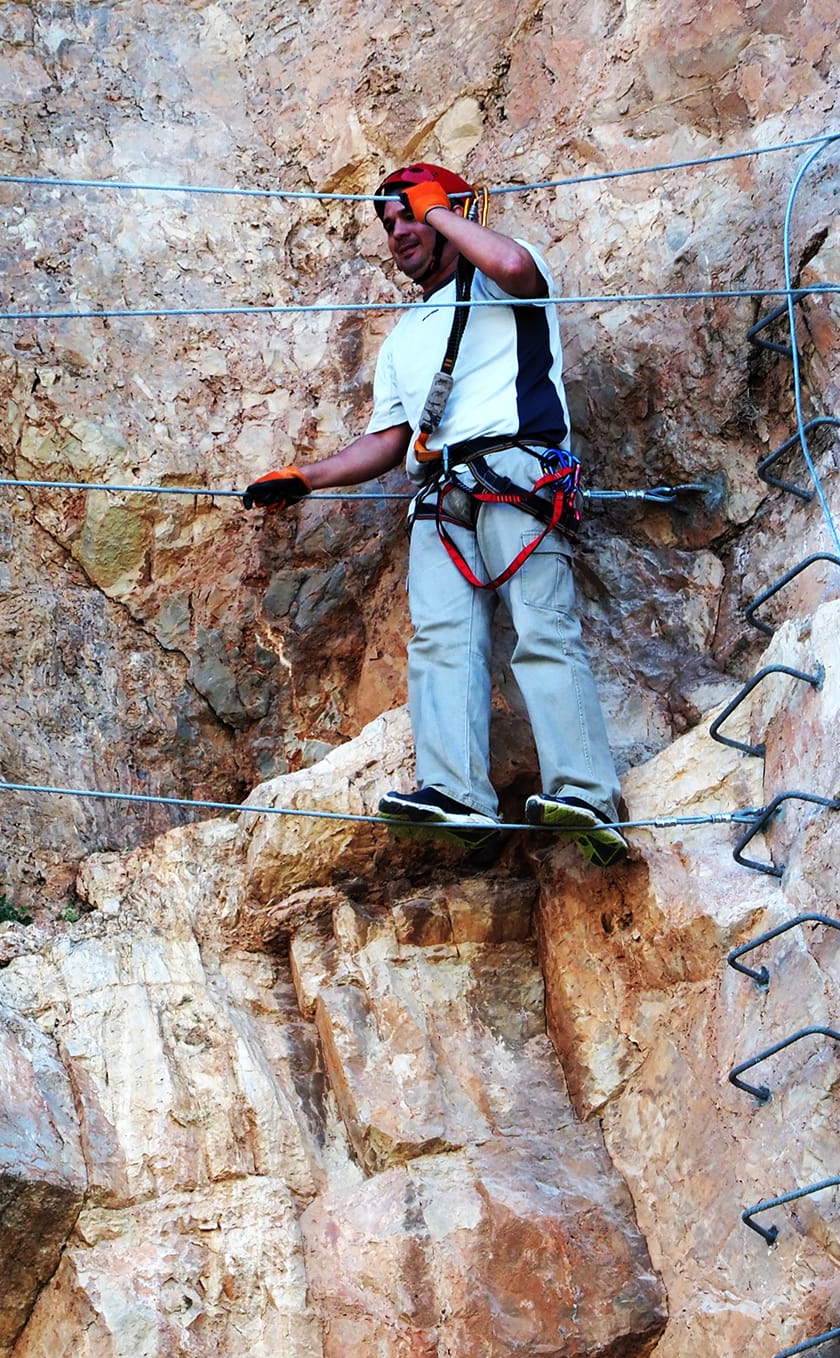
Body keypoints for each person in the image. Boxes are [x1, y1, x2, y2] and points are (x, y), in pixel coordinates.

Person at [242, 161, 628, 866]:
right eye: (388, 223)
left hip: (518, 468)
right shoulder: (404, 337)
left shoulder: (505, 273)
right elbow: (389, 442)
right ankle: (456, 792)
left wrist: (443, 210)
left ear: (451, 211)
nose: (398, 232)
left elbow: (511, 263)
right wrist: (306, 477)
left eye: (407, 215)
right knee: (441, 645)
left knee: (543, 627)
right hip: (440, 494)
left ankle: (586, 793)